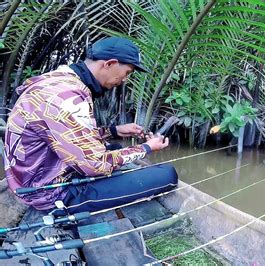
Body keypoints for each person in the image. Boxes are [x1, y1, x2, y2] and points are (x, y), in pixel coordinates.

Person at [3, 37, 178, 214]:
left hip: (31, 181)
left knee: (114, 147)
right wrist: (147, 147)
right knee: (167, 175)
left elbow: (65, 137)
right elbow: (95, 165)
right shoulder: (67, 98)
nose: (125, 79)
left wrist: (114, 131)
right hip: (50, 194)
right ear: (109, 64)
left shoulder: (58, 82)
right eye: (127, 72)